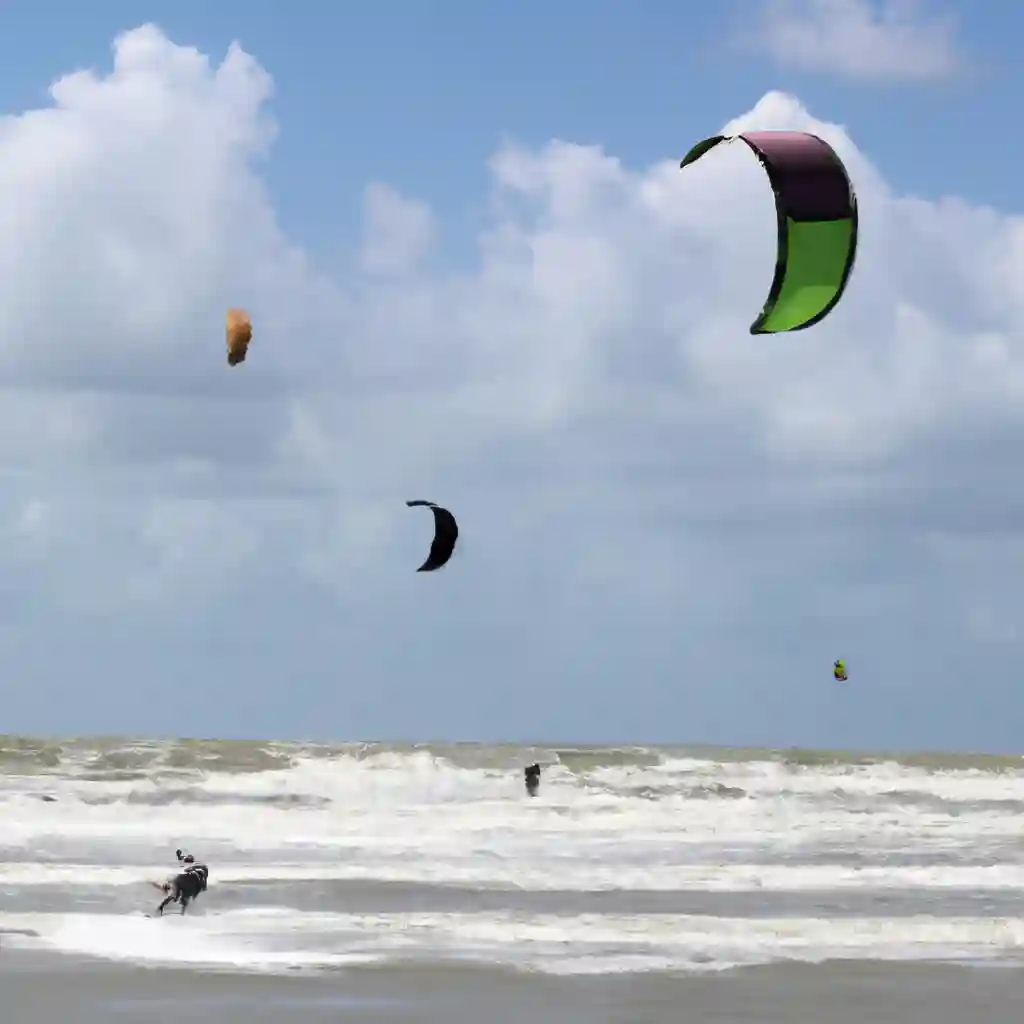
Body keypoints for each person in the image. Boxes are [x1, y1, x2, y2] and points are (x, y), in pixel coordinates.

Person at [156, 849, 209, 916]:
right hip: (187, 881)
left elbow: (183, 859)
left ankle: (161, 908)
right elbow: (202, 880)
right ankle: (181, 912)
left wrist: (179, 855)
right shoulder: (198, 868)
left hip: (184, 880)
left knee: (176, 896)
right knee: (183, 897)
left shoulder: (198, 868)